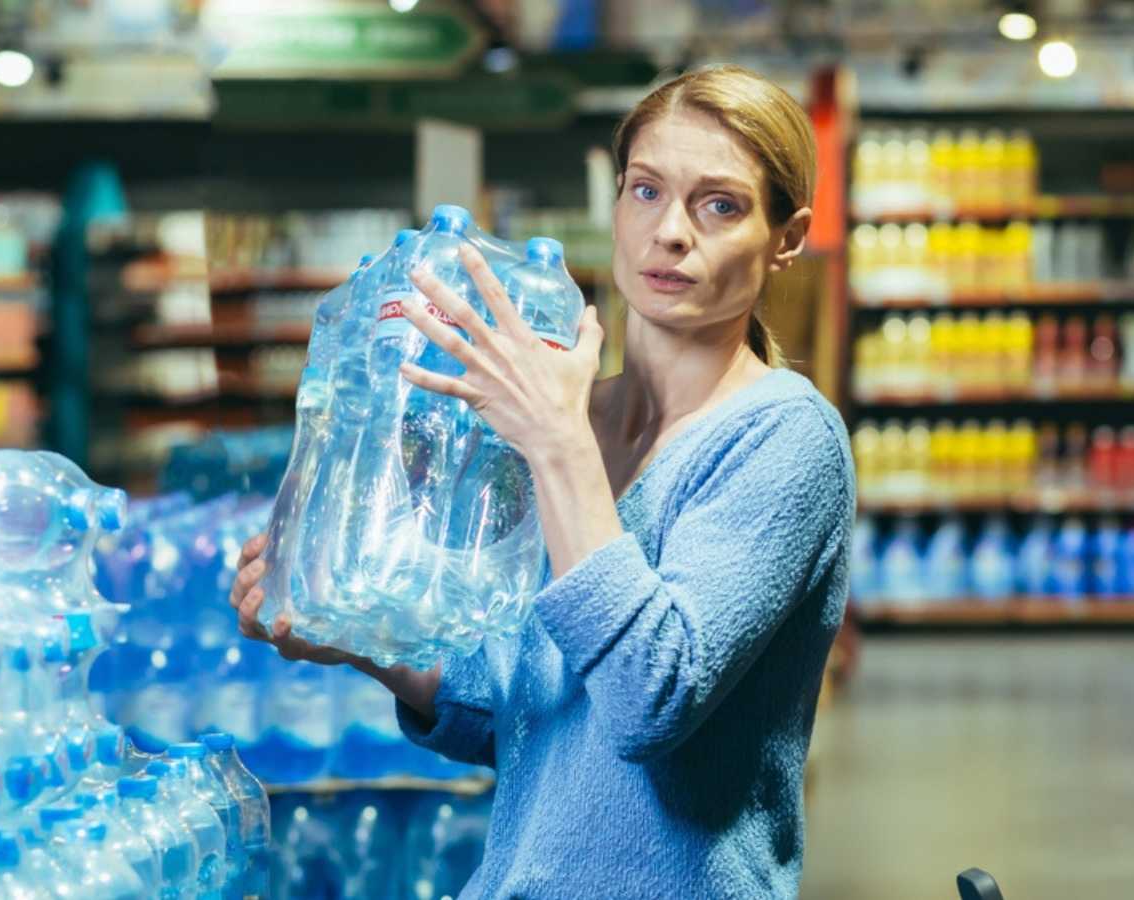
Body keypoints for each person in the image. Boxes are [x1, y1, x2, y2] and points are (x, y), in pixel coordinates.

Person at [230, 64, 855, 898]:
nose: (671, 232)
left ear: (787, 236)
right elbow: (521, 710)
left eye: (720, 205)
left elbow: (650, 697)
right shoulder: (573, 417)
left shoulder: (784, 440)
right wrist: (360, 637)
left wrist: (555, 442)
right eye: (645, 191)